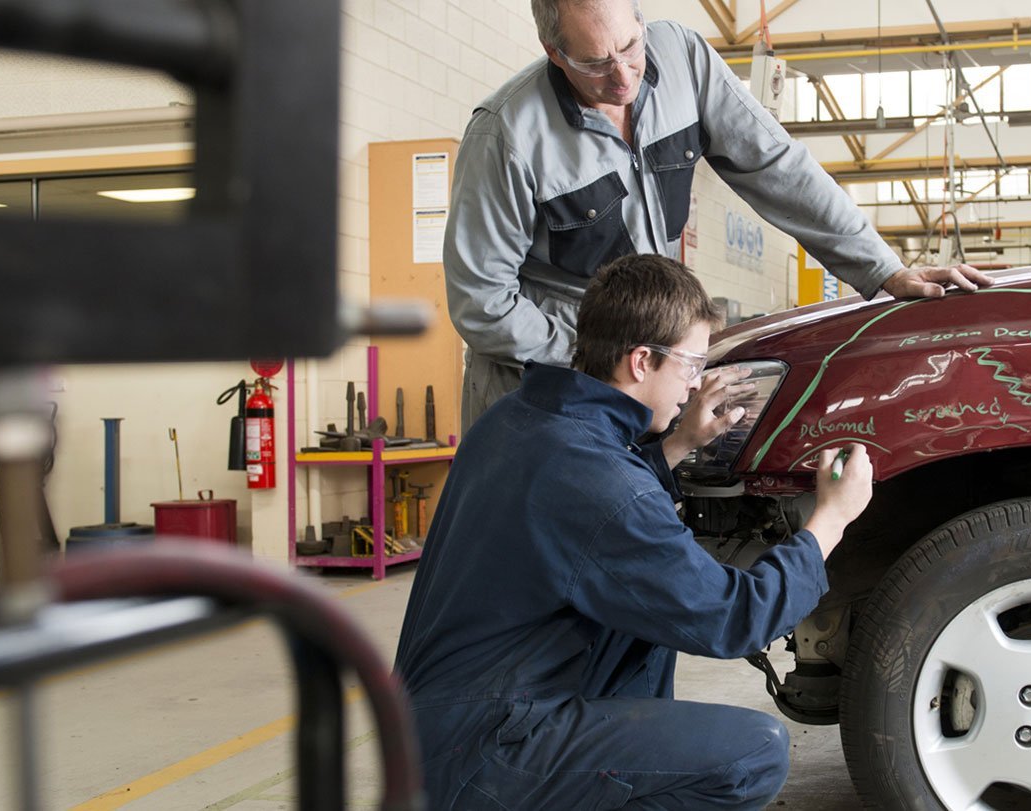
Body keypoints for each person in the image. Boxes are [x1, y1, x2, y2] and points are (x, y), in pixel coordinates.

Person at [396, 253, 876, 809]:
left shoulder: (516, 420)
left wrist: (678, 444)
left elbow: (588, 518)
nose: (695, 384)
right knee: (752, 753)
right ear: (642, 361)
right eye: (692, 366)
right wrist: (831, 519)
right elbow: (730, 619)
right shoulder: (599, 482)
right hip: (484, 752)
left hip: (430, 730)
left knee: (638, 623)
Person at [445, 0, 995, 430]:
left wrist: (882, 268)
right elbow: (482, 302)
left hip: (639, 368)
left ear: (641, 20)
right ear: (553, 51)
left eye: (630, 47)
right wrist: (599, 362)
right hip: (539, 386)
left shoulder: (683, 58)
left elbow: (778, 165)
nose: (621, 78)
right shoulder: (506, 135)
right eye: (594, 62)